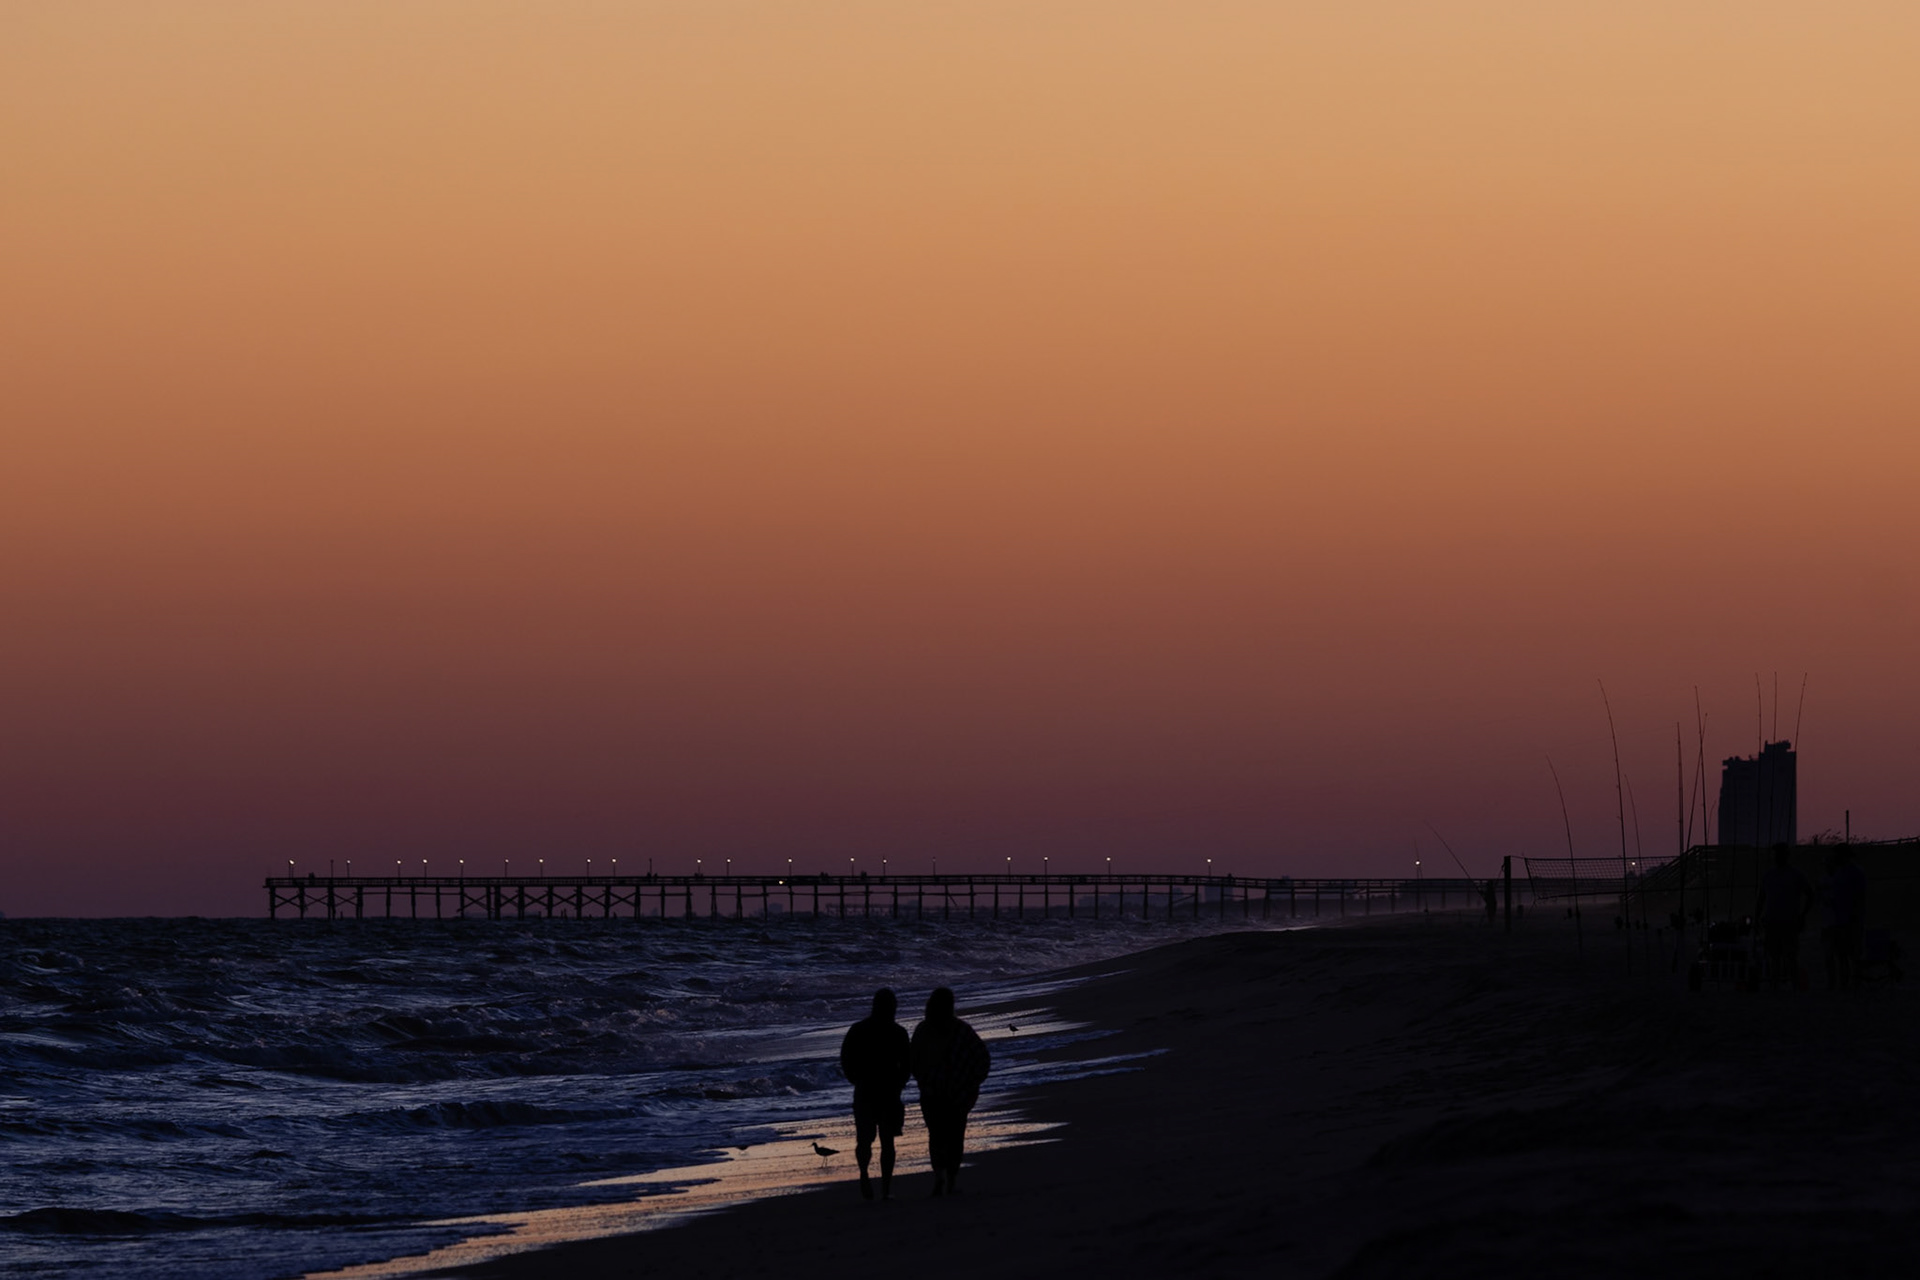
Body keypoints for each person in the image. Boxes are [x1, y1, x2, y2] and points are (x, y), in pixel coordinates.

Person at [910, 986, 990, 1197]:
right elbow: (982, 1059)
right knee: (955, 1137)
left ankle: (940, 1178)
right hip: (957, 1095)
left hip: (931, 1094)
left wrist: (923, 1081)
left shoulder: (922, 1031)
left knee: (936, 1136)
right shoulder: (962, 1030)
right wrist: (971, 1085)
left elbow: (913, 1061)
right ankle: (951, 1181)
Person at [839, 988, 911, 1200]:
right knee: (887, 1141)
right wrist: (899, 1083)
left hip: (865, 1090)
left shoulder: (858, 1029)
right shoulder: (898, 1032)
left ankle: (864, 1175)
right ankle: (886, 1188)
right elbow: (907, 1065)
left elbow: (846, 1058)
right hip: (889, 1091)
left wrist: (855, 1079)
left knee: (864, 1140)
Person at [1755, 843, 1812, 989]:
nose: (1778, 856)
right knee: (1774, 957)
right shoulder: (1768, 875)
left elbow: (1810, 894)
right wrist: (1756, 918)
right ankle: (1775, 986)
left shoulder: (1796, 875)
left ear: (1786, 855)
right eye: (1776, 854)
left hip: (1790, 921)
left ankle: (1794, 985)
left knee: (1791, 956)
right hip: (1772, 922)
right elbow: (1761, 899)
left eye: (1780, 854)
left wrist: (1803, 915)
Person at [1825, 844, 1867, 989]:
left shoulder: (1854, 873)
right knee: (1842, 954)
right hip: (1840, 919)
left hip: (1850, 919)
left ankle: (1854, 982)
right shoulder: (1840, 873)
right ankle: (1845, 982)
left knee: (1852, 954)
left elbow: (1859, 897)